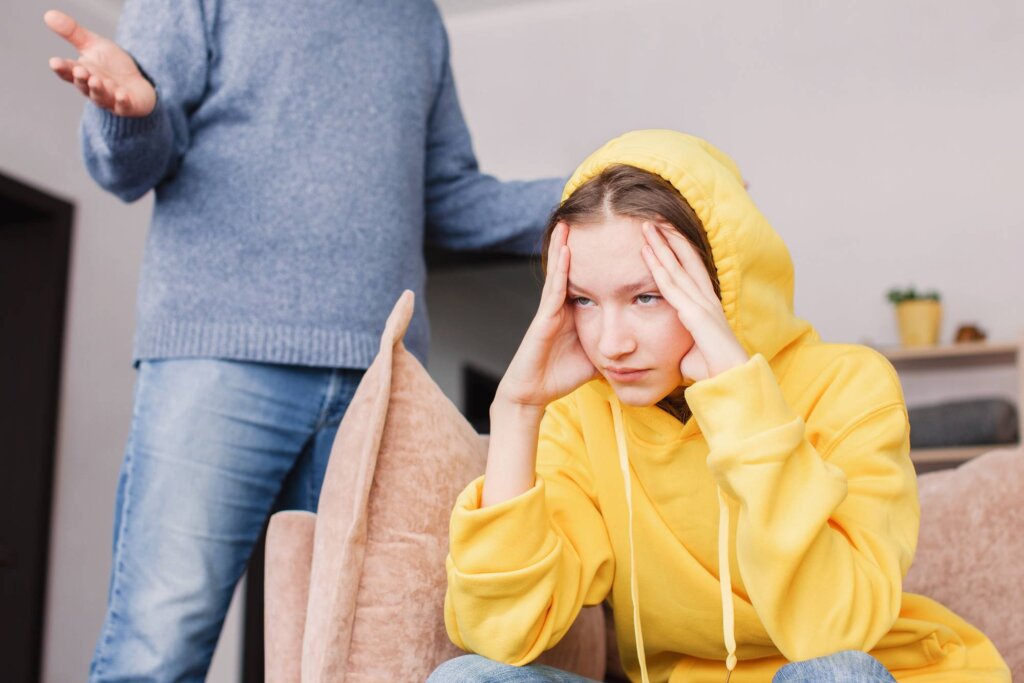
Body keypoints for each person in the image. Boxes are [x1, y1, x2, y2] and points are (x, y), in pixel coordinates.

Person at [44, 2, 563, 680]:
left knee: (357, 656)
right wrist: (132, 115)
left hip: (380, 380)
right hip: (221, 353)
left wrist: (596, 194)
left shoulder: (416, 20)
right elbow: (130, 165)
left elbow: (448, 199)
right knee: (159, 649)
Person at [432, 130, 1010, 682]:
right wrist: (517, 411)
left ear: (720, 289)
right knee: (469, 677)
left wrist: (741, 403)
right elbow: (501, 637)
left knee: (834, 674)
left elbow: (833, 630)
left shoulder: (848, 383)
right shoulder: (581, 413)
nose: (611, 343)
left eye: (647, 295)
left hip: (864, 671)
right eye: (583, 300)